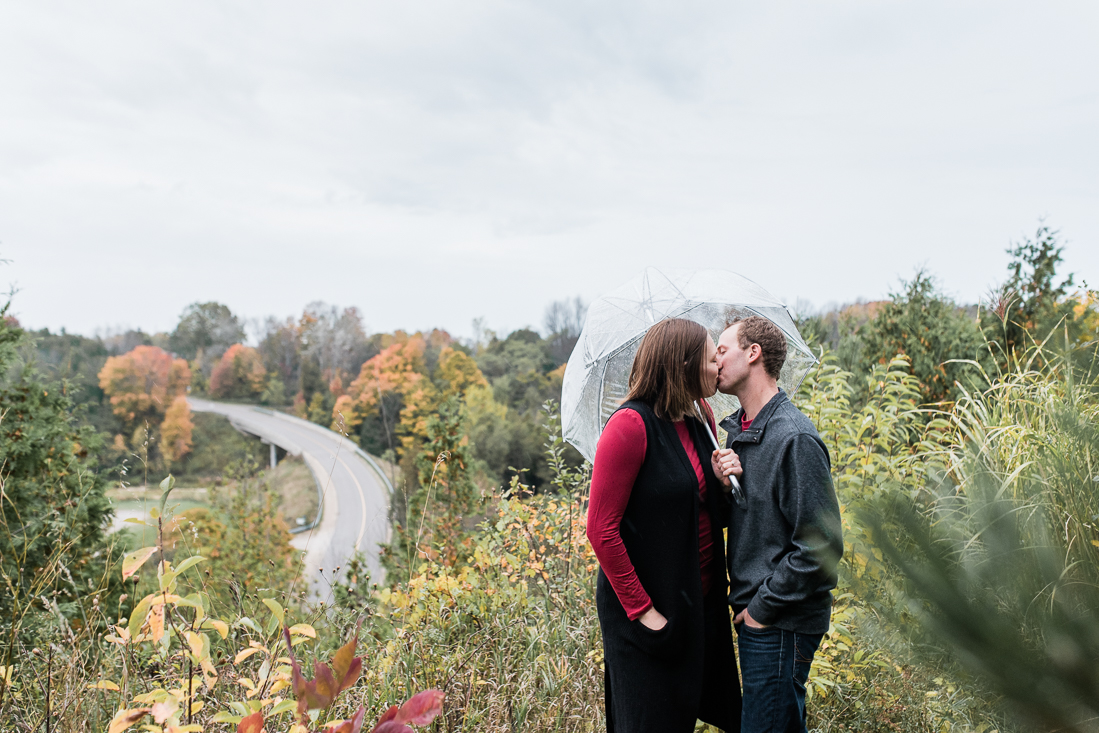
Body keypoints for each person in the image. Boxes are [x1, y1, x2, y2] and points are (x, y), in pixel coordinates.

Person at [587, 318, 741, 733]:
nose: (718, 368)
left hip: (698, 608)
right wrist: (644, 613)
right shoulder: (629, 427)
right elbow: (601, 529)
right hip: (650, 617)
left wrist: (725, 486)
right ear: (684, 365)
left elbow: (710, 514)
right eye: (712, 359)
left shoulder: (700, 417)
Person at [709, 315, 844, 733]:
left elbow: (821, 546)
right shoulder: (742, 436)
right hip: (763, 617)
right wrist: (722, 485)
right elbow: (754, 521)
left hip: (780, 620)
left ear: (753, 354)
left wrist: (760, 611)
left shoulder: (793, 438)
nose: (714, 360)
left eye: (722, 349)